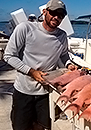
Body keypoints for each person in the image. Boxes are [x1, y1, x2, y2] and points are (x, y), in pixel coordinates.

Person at [3, 0, 76, 130]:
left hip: (46, 92)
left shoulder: (62, 36)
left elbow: (64, 55)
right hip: (23, 91)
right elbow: (8, 56)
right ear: (44, 12)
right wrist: (31, 71)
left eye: (61, 15)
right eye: (54, 13)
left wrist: (69, 64)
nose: (57, 17)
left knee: (42, 127)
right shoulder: (25, 28)